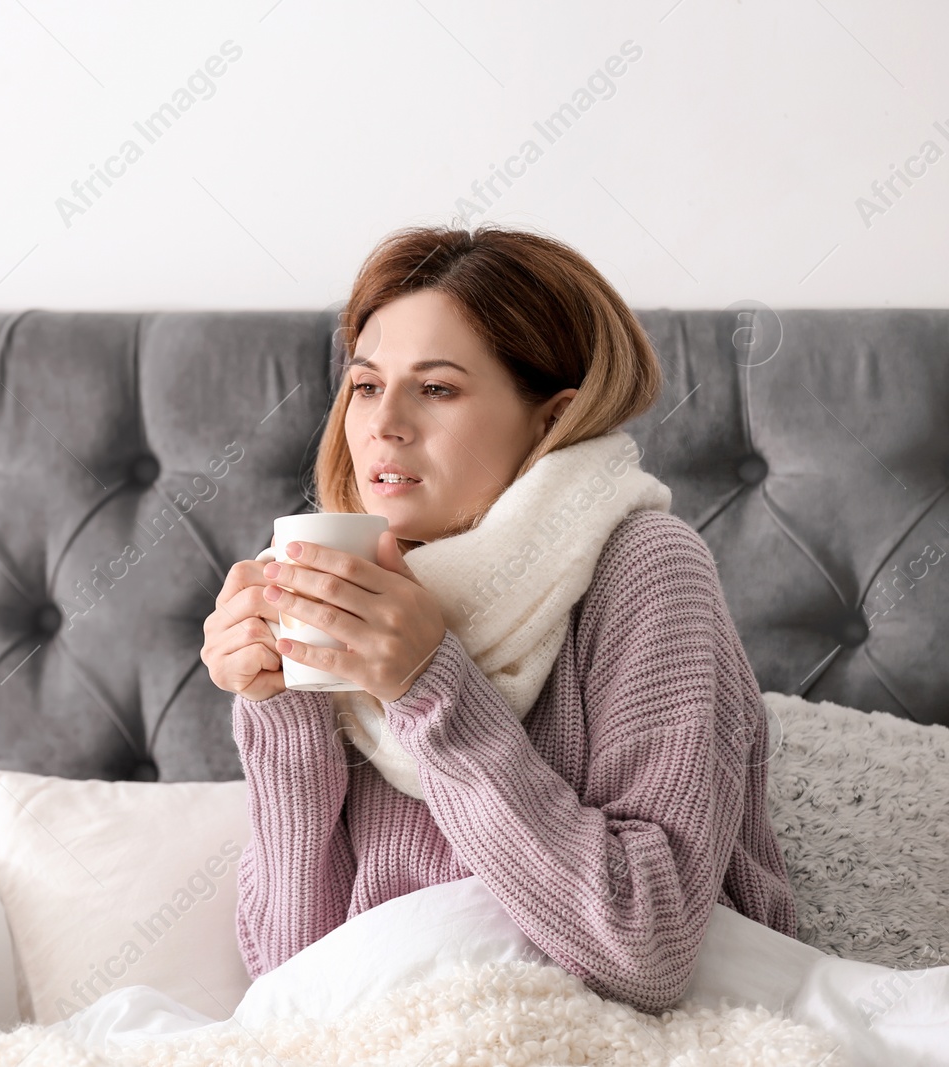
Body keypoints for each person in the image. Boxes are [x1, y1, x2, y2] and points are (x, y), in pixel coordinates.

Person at [199, 223, 798, 1014]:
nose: (384, 424)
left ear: (551, 419)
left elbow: (646, 951)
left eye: (437, 388)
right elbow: (292, 971)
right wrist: (281, 708)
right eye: (368, 385)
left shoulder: (648, 566)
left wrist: (427, 687)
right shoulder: (351, 579)